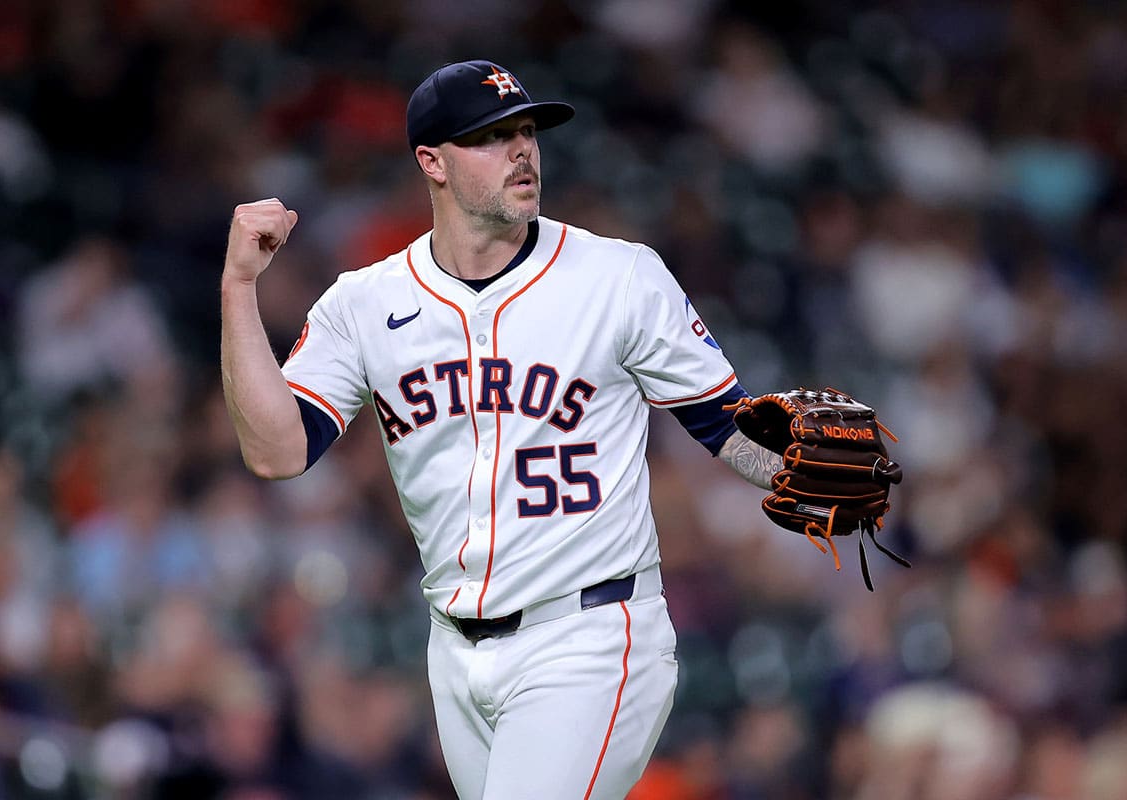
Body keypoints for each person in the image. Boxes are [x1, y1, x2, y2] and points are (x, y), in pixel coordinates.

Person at [220, 59, 782, 799]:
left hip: (589, 632)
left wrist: (796, 470)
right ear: (433, 162)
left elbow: (727, 426)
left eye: (526, 131)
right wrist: (238, 289)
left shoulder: (618, 277)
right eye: (491, 136)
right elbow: (276, 450)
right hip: (454, 648)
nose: (522, 150)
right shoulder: (364, 303)